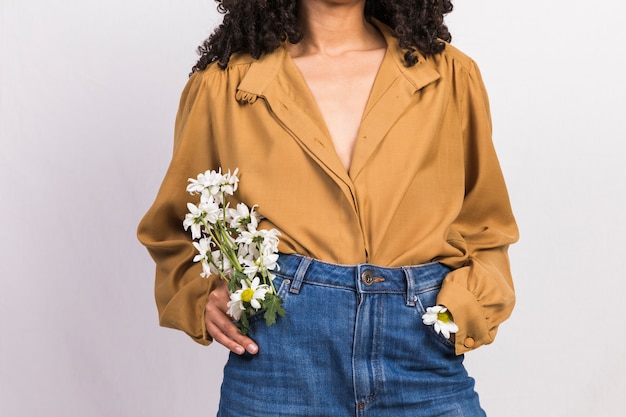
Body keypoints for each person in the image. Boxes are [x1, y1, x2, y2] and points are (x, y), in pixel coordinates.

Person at [137, 0, 519, 416]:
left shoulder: (449, 76)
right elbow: (176, 225)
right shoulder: (224, 86)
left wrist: (465, 306)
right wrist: (201, 295)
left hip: (421, 351)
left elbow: (486, 223)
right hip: (279, 362)